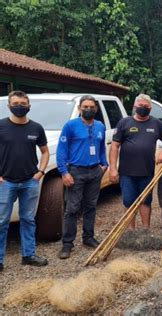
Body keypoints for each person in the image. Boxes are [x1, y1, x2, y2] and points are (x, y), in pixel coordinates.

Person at [109, 94, 162, 229]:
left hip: (147, 171)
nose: (143, 108)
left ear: (150, 108)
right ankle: (131, 232)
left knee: (146, 201)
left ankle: (146, 230)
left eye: (146, 107)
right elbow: (115, 146)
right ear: (134, 107)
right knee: (129, 202)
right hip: (127, 173)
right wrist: (113, 169)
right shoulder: (124, 123)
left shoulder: (156, 123)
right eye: (140, 106)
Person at [0, 90, 50, 271]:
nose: (19, 107)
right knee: (1, 221)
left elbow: (45, 151)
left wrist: (41, 172)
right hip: (6, 182)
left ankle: (28, 255)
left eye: (22, 104)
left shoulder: (36, 128)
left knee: (28, 219)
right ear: (9, 106)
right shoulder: (1, 126)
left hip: (30, 181)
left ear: (29, 106)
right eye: (15, 104)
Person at [56, 95, 108, 259]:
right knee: (72, 208)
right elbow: (61, 150)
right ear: (79, 108)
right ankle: (67, 243)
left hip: (94, 171)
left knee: (91, 206)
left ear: (96, 109)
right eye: (85, 106)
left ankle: (88, 237)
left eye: (91, 107)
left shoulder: (100, 126)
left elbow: (101, 148)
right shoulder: (70, 126)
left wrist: (104, 164)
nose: (88, 109)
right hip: (76, 172)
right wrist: (64, 172)